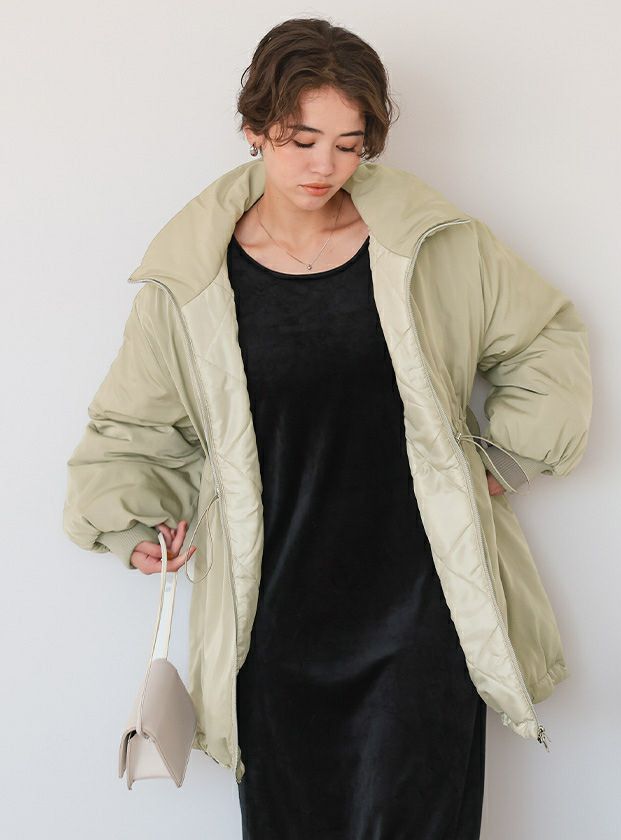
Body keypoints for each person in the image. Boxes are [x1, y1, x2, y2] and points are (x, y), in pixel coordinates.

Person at [63, 16, 593, 840]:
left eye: (349, 145)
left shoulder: (430, 247)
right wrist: (132, 520)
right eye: (301, 139)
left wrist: (507, 456)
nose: (324, 166)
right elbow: (132, 421)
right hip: (271, 621)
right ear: (254, 128)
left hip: (420, 609)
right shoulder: (192, 280)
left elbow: (546, 338)